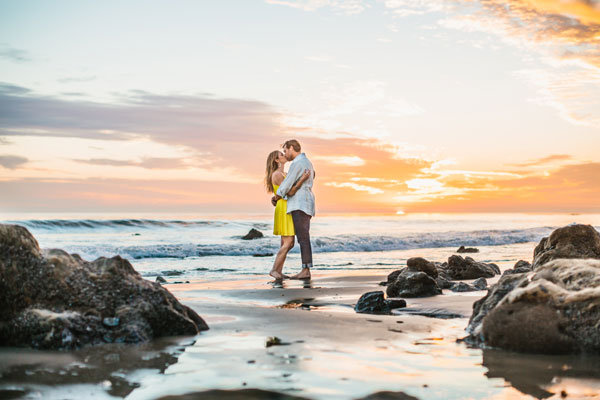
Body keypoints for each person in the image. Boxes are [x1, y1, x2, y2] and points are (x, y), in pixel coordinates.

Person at [271, 139, 315, 280]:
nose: (285, 154)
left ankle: (305, 270)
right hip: (304, 202)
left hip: (299, 203)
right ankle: (298, 269)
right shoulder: (307, 162)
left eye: (285, 151)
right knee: (302, 238)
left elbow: (287, 185)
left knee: (303, 238)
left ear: (291, 148)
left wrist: (276, 197)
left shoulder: (297, 163)